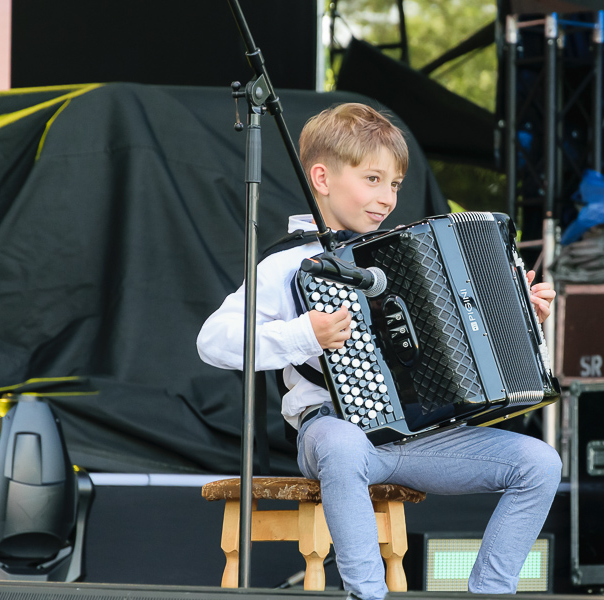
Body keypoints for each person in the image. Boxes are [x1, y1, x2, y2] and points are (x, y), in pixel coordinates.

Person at [197, 102, 561, 599]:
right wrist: (306, 335)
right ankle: (366, 595)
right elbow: (212, 342)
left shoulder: (404, 257)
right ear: (321, 178)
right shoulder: (287, 265)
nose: (387, 197)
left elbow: (467, 350)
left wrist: (521, 314)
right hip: (327, 431)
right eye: (372, 179)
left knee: (539, 463)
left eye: (394, 184)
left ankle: (490, 592)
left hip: (415, 439)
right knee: (345, 443)